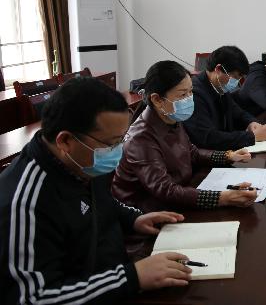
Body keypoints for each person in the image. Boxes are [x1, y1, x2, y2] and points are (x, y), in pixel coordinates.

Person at [0, 77, 194, 304]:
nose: (118, 151)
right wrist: (132, 278)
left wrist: (132, 219)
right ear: (65, 141)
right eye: (111, 144)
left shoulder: (83, 160)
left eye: (121, 140)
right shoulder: (25, 204)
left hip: (111, 277)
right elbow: (32, 298)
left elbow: (101, 201)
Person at [112, 61, 258, 212]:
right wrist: (223, 198)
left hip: (179, 197)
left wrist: (228, 155)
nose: (189, 99)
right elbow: (165, 189)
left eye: (191, 92)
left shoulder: (171, 117)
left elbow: (192, 153)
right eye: (182, 94)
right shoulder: (141, 138)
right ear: (157, 99)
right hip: (148, 214)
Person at [184, 45, 266, 151]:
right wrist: (252, 137)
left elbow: (238, 113)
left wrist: (251, 123)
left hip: (227, 152)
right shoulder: (194, 93)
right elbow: (207, 138)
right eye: (235, 77)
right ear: (218, 69)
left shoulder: (220, 87)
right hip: (209, 156)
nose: (237, 82)